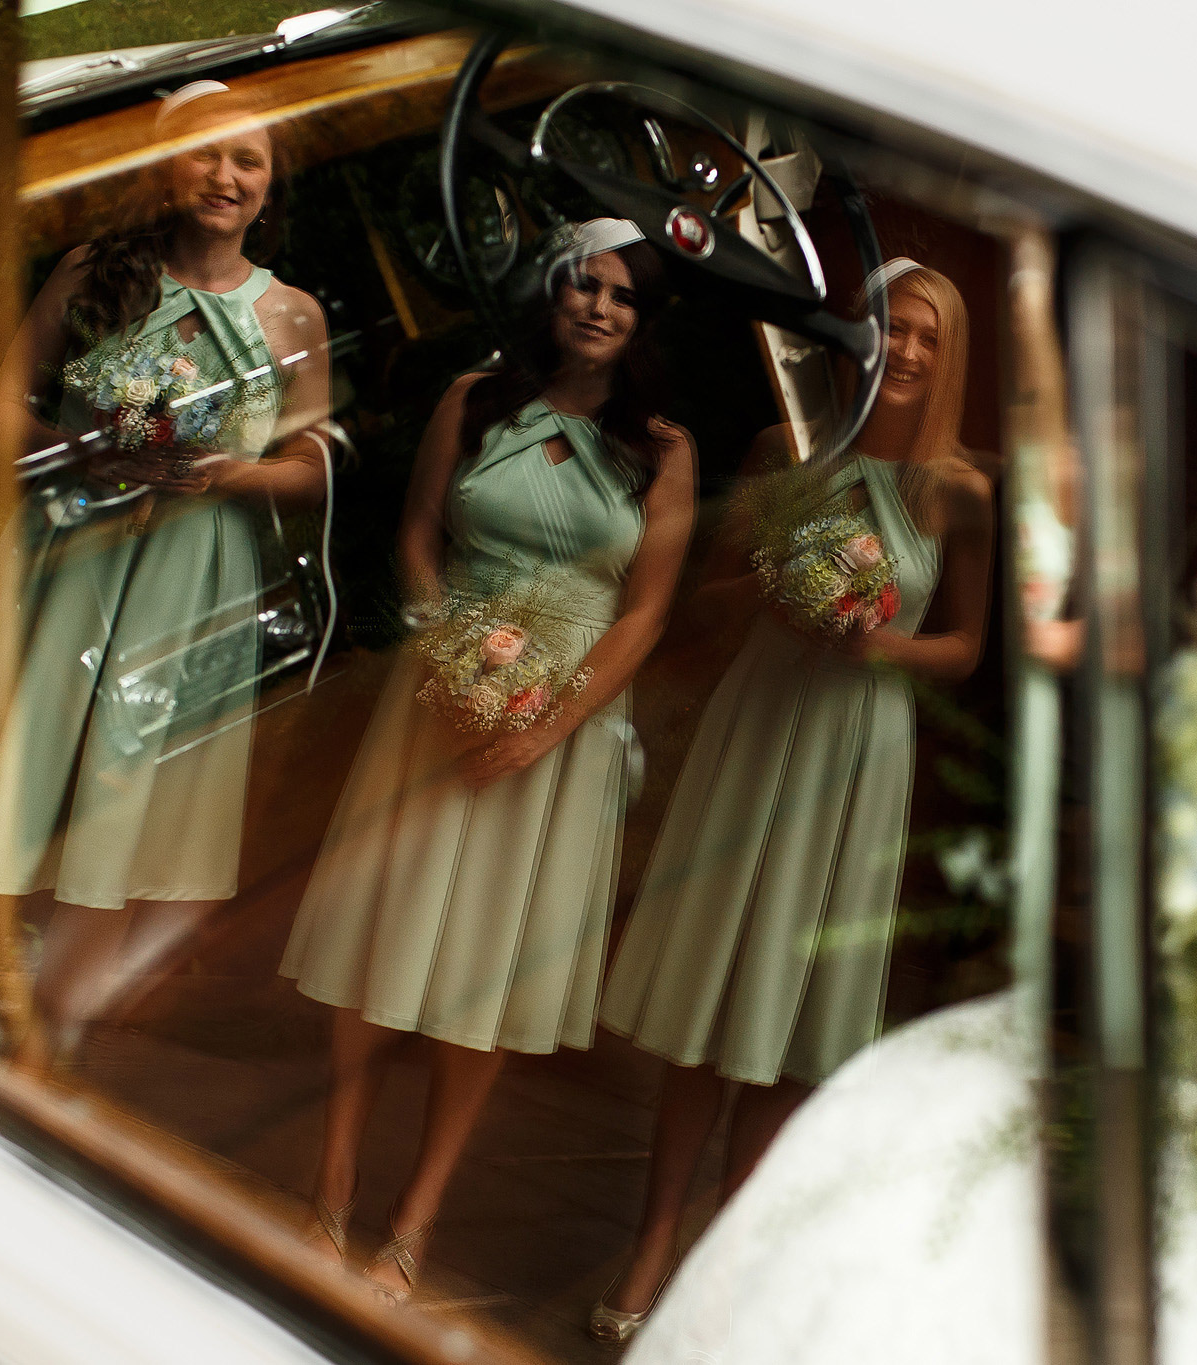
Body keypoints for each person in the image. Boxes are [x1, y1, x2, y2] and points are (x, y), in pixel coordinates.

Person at [277, 219, 696, 1304]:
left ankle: (411, 1228)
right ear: (549, 293)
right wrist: (445, 652)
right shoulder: (474, 400)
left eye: (620, 296)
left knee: (483, 975)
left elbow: (644, 615)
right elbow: (418, 535)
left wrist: (544, 725)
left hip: (557, 734)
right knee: (378, 948)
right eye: (581, 288)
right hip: (435, 703)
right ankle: (328, 1197)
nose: (597, 309)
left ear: (642, 320)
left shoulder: (661, 448)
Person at [593, 259, 996, 1343]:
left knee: (791, 1014)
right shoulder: (785, 456)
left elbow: (963, 648)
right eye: (885, 330)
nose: (902, 351)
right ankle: (647, 1251)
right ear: (849, 339)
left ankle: (725, 1278)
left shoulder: (957, 492)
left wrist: (880, 640)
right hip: (757, 727)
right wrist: (776, 582)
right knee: (707, 1007)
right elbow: (704, 605)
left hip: (857, 746)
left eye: (924, 336)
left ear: (946, 356)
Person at [0, 80, 333, 1069]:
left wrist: (227, 473)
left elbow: (310, 472)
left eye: (247, 159)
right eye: (205, 152)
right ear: (166, 165)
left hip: (191, 572)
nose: (224, 175)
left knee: (125, 797)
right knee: (23, 765)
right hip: (71, 557)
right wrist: (83, 450)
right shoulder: (97, 273)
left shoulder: (291, 314)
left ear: (270, 186)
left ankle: (53, 1041)